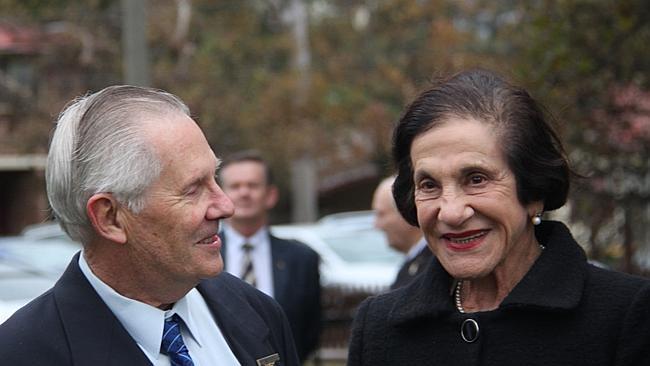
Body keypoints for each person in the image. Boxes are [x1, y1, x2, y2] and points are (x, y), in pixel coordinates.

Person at [348, 69, 650, 365]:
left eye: (476, 179)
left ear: (533, 193)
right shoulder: (378, 328)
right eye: (429, 185)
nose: (451, 212)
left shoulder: (625, 317)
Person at [0, 85, 299, 366]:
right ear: (110, 217)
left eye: (215, 178)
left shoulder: (255, 311)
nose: (225, 206)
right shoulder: (22, 353)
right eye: (193, 189)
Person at [218, 151, 321, 363]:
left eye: (253, 185)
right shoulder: (201, 255)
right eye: (235, 186)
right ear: (220, 196)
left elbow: (310, 330)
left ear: (271, 195)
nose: (244, 193)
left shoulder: (302, 259)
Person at [372, 175, 432, 289]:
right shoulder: (415, 264)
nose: (376, 226)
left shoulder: (432, 268)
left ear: (405, 212)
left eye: (381, 214)